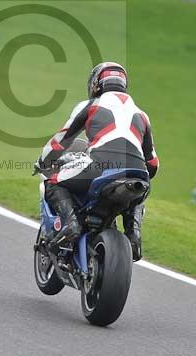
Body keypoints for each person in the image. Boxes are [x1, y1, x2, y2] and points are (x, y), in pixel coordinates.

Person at [37, 62, 159, 261]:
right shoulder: (142, 115)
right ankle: (133, 235)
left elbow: (61, 141)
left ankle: (71, 225)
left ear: (95, 84)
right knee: (141, 189)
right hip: (138, 173)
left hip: (99, 165)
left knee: (53, 183)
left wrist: (44, 161)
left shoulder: (91, 105)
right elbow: (152, 164)